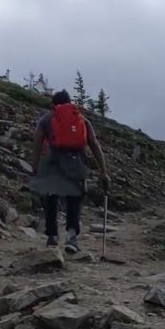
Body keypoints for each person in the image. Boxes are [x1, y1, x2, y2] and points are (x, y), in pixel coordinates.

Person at [30, 89, 110, 254]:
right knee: (74, 197)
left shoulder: (46, 119)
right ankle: (71, 237)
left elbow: (37, 142)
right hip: (76, 162)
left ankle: (52, 235)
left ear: (53, 105)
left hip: (52, 161)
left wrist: (35, 167)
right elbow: (94, 144)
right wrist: (104, 171)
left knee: (51, 196)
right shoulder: (81, 120)